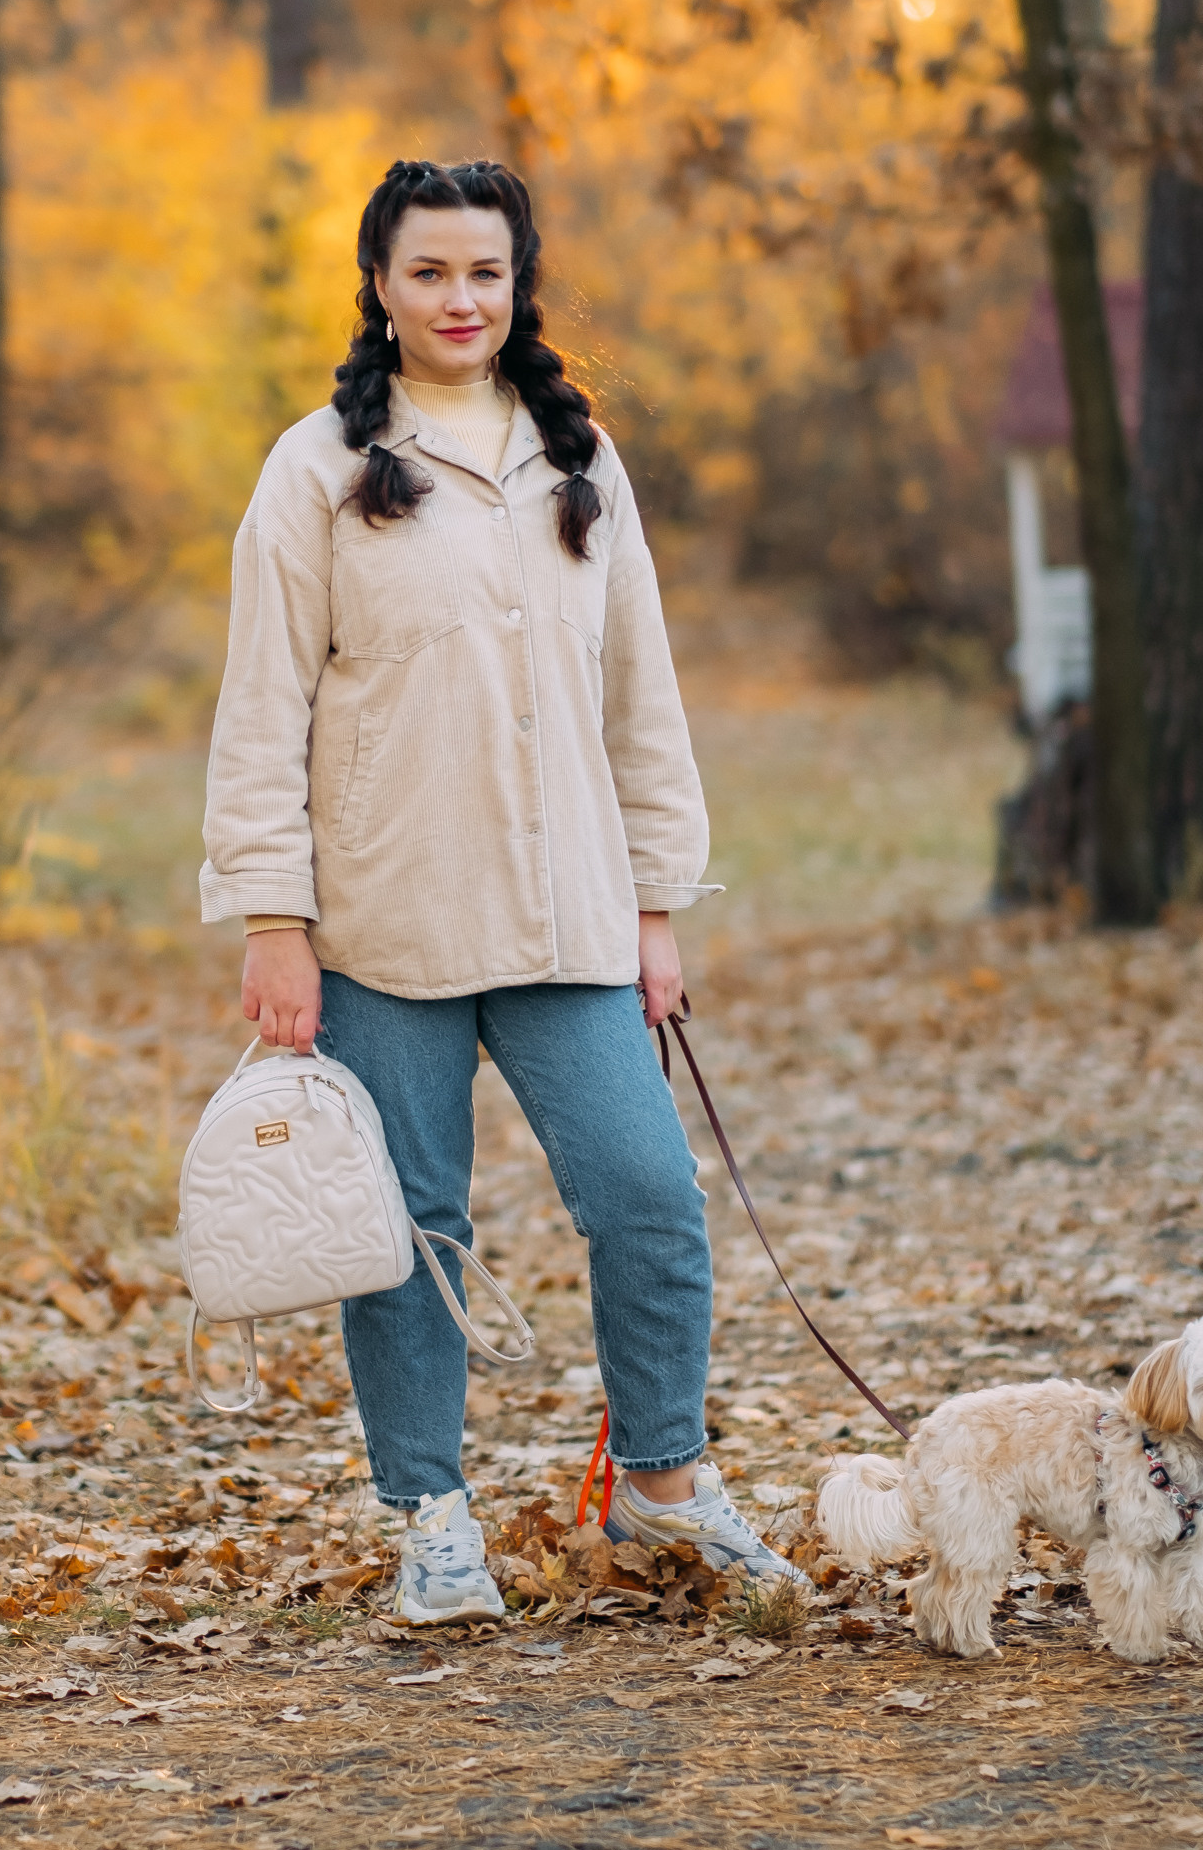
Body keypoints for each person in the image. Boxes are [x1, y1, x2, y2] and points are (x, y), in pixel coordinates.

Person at [200, 158, 804, 1623]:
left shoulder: (581, 457)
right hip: (382, 927)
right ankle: (433, 1518)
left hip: (568, 921)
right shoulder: (316, 472)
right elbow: (258, 708)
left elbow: (639, 698)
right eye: (429, 273)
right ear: (383, 287)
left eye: (485, 272)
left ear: (518, 281)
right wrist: (274, 923)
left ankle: (663, 1489)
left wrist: (654, 903)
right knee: (410, 1236)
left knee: (652, 1201)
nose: (460, 299)